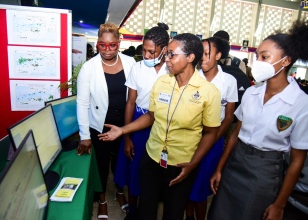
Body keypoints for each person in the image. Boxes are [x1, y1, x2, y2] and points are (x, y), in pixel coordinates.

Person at [99, 33, 222, 220]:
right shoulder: (162, 82)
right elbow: (151, 116)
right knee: (145, 210)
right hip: (152, 157)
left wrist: (193, 164)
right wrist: (124, 131)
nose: (167, 59)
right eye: (167, 54)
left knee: (173, 213)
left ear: (190, 58)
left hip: (181, 164)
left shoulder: (208, 92)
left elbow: (211, 133)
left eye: (172, 54)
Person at [208, 20, 308, 220]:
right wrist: (219, 168)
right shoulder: (252, 93)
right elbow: (236, 134)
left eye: (265, 57)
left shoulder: (300, 102)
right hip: (235, 163)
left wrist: (279, 204)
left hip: (264, 172)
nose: (258, 62)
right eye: (257, 56)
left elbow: (298, 159)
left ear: (286, 61)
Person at [76, 23, 136, 220]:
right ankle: (102, 200)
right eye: (103, 45)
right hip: (99, 126)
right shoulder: (88, 68)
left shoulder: (130, 63)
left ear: (119, 43)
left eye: (112, 45)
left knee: (121, 162)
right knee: (101, 165)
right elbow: (82, 103)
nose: (107, 50)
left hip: (124, 124)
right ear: (98, 44)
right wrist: (85, 135)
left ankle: (119, 192)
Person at [114, 22, 170, 220]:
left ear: (165, 50)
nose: (146, 56)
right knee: (134, 166)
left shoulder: (173, 70)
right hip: (138, 120)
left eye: (151, 52)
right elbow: (130, 102)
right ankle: (133, 209)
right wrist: (127, 135)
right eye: (144, 50)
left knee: (157, 169)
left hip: (163, 124)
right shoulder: (137, 68)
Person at [185, 37, 238, 220]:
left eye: (207, 54)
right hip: (191, 138)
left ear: (219, 55)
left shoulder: (229, 81)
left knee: (201, 188)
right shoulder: (192, 76)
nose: (203, 58)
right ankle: (188, 215)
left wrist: (212, 139)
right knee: (187, 182)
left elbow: (229, 116)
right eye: (201, 53)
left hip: (214, 140)